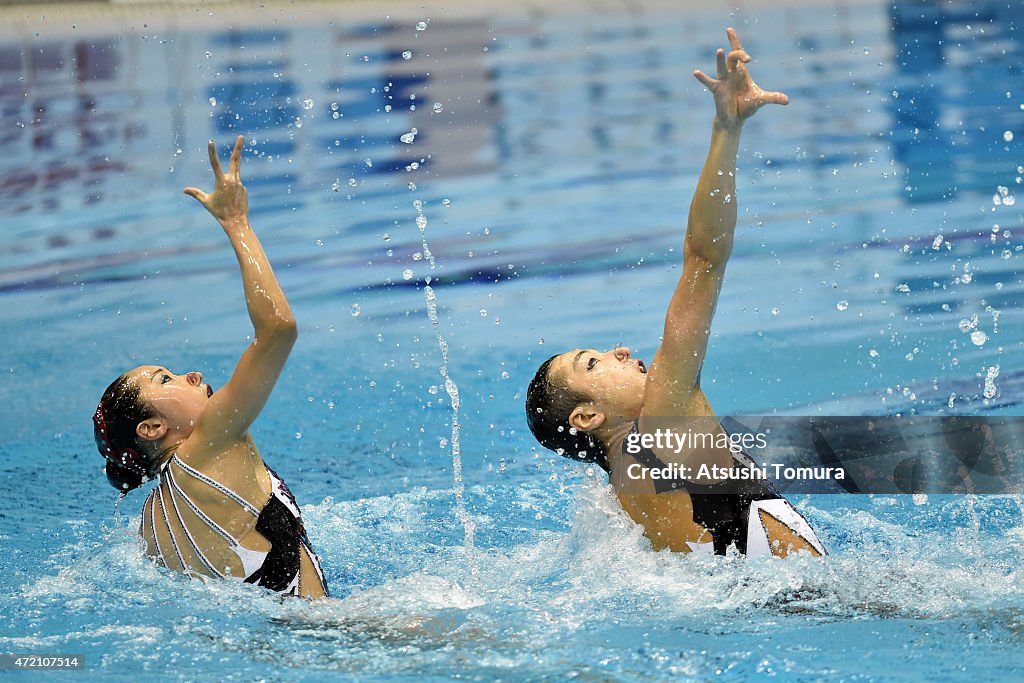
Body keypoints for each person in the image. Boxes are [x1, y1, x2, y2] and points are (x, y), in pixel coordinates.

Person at [525, 29, 826, 558]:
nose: (619, 352)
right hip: (821, 604)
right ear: (588, 417)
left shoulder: (618, 497)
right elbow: (704, 258)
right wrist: (726, 131)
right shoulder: (664, 416)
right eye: (592, 365)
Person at [93, 136, 329, 597]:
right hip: (334, 634)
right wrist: (236, 221)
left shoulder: (151, 528)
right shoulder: (212, 442)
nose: (193, 375)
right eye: (166, 379)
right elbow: (279, 329)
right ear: (152, 427)